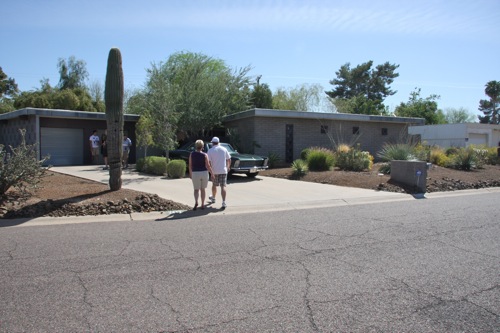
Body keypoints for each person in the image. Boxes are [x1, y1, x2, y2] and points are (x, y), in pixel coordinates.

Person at [189, 140, 214, 210]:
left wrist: (190, 174)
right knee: (203, 189)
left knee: (196, 189)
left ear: (196, 146)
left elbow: (190, 165)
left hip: (195, 173)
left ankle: (196, 201)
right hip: (204, 173)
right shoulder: (205, 155)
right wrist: (212, 173)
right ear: (202, 146)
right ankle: (202, 204)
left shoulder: (192, 154)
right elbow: (208, 166)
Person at [207, 136, 231, 209]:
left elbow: (209, 162)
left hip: (215, 171)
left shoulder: (210, 151)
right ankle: (224, 202)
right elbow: (229, 159)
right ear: (218, 142)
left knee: (214, 185)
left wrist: (210, 171)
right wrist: (227, 167)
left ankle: (213, 198)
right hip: (223, 171)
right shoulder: (224, 149)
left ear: (212, 143)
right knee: (223, 186)